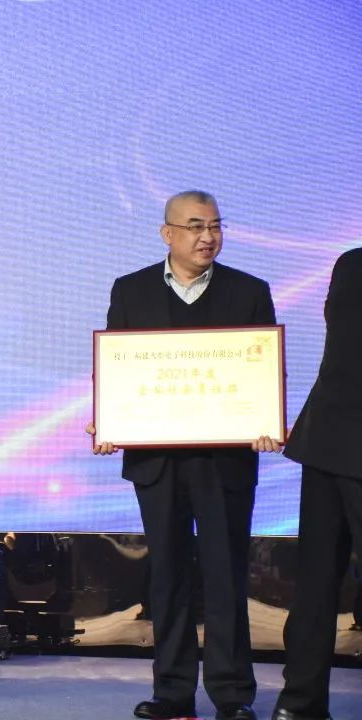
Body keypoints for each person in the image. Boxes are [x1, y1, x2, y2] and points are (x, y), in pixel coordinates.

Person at [87, 191, 280, 720]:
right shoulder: (131, 290)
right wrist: (108, 419)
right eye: (195, 226)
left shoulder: (249, 291)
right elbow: (116, 368)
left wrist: (266, 420)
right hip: (158, 461)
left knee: (225, 577)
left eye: (215, 226)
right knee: (167, 577)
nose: (207, 237)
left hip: (226, 462)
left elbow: (264, 373)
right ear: (167, 233)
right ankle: (172, 691)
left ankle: (232, 695)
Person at [271, 248, 362, 720]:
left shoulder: (350, 264)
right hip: (342, 444)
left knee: (315, 581)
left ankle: (298, 703)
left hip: (325, 439)